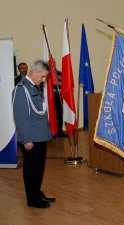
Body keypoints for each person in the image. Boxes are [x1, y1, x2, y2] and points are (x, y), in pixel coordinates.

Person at [12, 60, 56, 208]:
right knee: (31, 169)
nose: (44, 80)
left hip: (40, 135)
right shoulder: (21, 89)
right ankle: (32, 199)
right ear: (36, 72)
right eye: (43, 77)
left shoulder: (33, 87)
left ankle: (37, 193)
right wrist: (26, 139)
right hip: (31, 137)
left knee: (39, 168)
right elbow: (20, 116)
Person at [53, 70, 67, 137]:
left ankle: (59, 131)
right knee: (51, 115)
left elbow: (64, 83)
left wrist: (57, 83)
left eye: (54, 63)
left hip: (58, 97)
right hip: (50, 98)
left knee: (59, 114)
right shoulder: (46, 72)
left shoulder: (59, 73)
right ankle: (52, 132)